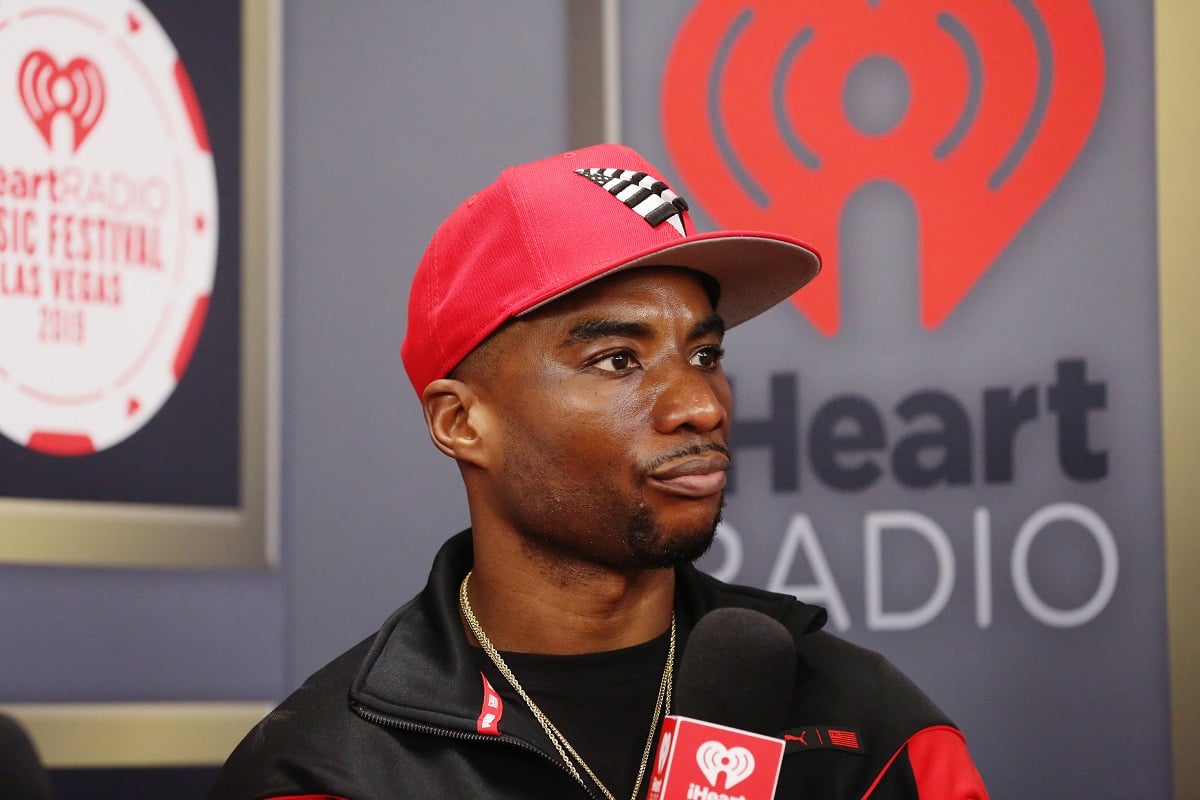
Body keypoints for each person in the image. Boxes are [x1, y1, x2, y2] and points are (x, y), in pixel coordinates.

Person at [209, 144, 990, 799]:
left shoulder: (874, 732)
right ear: (461, 421)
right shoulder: (327, 773)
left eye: (707, 354)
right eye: (618, 360)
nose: (701, 406)